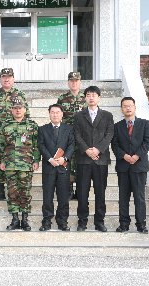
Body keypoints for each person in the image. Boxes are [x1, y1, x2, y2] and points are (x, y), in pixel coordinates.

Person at [0, 68, 30, 201]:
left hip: (15, 134)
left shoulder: (20, 95)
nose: (6, 79)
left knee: (14, 159)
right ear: (0, 79)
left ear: (13, 79)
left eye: (9, 77)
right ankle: (0, 190)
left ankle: (15, 189)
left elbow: (26, 116)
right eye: (4, 77)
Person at [74, 86, 114, 232]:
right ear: (84, 97)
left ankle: (99, 221)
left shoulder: (107, 115)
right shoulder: (78, 116)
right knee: (82, 192)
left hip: (100, 160)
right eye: (88, 95)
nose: (91, 97)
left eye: (94, 95)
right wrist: (87, 150)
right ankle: (82, 221)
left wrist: (98, 149)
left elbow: (109, 134)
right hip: (84, 160)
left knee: (100, 192)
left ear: (98, 97)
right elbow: (77, 135)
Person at [0, 97, 40, 231]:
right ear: (12, 110)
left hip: (26, 164)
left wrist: (36, 160)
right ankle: (15, 219)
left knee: (25, 192)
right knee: (12, 192)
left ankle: (25, 219)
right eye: (15, 108)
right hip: (10, 164)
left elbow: (36, 145)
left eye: (20, 108)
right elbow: (0, 145)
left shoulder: (32, 125)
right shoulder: (5, 125)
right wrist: (1, 161)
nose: (18, 110)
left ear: (24, 109)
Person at [111, 97, 149, 233]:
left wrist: (136, 155)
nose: (128, 108)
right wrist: (124, 155)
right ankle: (124, 224)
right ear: (121, 109)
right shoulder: (117, 126)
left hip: (139, 165)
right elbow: (115, 145)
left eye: (130, 105)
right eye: (125, 106)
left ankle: (141, 224)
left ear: (135, 107)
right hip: (123, 166)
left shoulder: (145, 124)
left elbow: (147, 142)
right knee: (123, 197)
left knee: (139, 196)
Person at [37, 104, 75, 231]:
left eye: (57, 112)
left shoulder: (69, 129)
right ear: (49, 114)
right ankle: (47, 221)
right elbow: (41, 146)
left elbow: (71, 145)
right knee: (47, 196)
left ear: (62, 114)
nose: (55, 115)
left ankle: (62, 222)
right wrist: (50, 159)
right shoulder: (42, 129)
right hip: (49, 167)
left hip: (63, 168)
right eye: (52, 112)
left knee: (63, 196)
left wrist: (64, 158)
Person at [57, 72, 87, 200]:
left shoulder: (87, 98)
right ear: (68, 83)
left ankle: (80, 190)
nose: (74, 83)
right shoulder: (62, 98)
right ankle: (68, 189)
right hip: (67, 137)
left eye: (76, 81)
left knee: (81, 163)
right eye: (71, 81)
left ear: (80, 82)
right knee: (67, 163)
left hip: (83, 137)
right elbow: (57, 116)